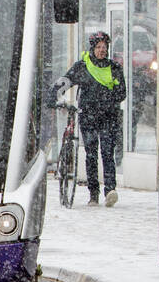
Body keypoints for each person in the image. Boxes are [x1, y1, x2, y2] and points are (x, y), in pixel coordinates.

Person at [50, 30, 125, 207]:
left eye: (104, 47)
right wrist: (53, 95)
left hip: (108, 117)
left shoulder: (114, 68)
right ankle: (93, 193)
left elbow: (122, 92)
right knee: (91, 154)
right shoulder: (82, 67)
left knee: (107, 153)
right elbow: (66, 81)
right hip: (88, 116)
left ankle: (110, 190)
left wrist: (108, 99)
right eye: (99, 47)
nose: (102, 51)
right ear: (92, 49)